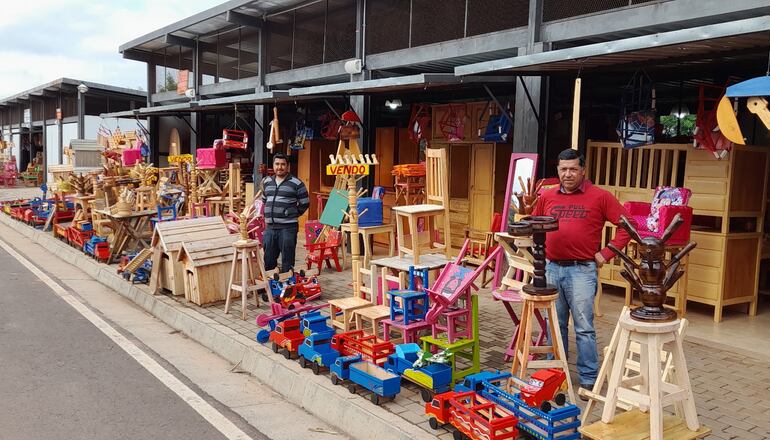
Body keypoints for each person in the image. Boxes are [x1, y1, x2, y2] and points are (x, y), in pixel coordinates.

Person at [532, 148, 636, 393]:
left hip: (582, 271)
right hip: (551, 268)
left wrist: (606, 253)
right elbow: (534, 224)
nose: (567, 174)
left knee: (584, 326)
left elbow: (628, 226)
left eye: (573, 169)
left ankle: (589, 378)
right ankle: (556, 374)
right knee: (554, 325)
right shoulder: (547, 196)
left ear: (583, 170)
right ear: (557, 170)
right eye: (563, 169)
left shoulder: (600, 197)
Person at [261, 153, 310, 273]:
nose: (280, 167)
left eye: (283, 164)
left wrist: (290, 213)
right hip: (270, 228)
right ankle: (271, 290)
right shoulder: (267, 182)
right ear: (273, 165)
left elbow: (305, 203)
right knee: (269, 260)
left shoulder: (296, 183)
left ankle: (287, 289)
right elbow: (264, 199)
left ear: (287, 166)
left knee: (287, 261)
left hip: (288, 229)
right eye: (277, 164)